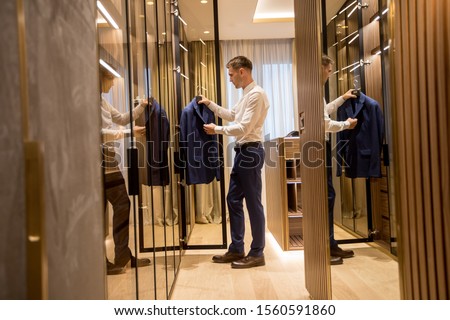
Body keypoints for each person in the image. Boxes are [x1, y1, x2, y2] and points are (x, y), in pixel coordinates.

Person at [200, 56, 270, 269]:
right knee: (233, 199)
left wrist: (217, 130)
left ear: (242, 72)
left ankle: (257, 253)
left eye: (231, 74)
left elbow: (244, 128)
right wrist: (210, 105)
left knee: (253, 204)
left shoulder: (257, 95)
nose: (230, 79)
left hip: (250, 152)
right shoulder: (247, 95)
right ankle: (237, 248)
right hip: (243, 153)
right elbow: (232, 115)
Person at [99, 68, 151, 275]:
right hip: (96, 161)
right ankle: (102, 260)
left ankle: (122, 255)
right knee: (100, 212)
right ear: (101, 78)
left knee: (122, 203)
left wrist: (141, 107)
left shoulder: (102, 101)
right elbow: (98, 133)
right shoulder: (88, 101)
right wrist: (130, 133)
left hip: (109, 160)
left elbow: (120, 118)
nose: (112, 85)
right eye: (110, 80)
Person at [321, 54, 358, 265]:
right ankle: (327, 245)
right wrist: (346, 124)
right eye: (328, 70)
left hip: (318, 147)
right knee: (327, 196)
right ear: (321, 67)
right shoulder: (315, 90)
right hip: (319, 147)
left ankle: (330, 243)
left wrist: (342, 98)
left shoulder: (314, 90)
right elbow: (324, 123)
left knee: (328, 195)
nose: (330, 73)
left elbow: (324, 111)